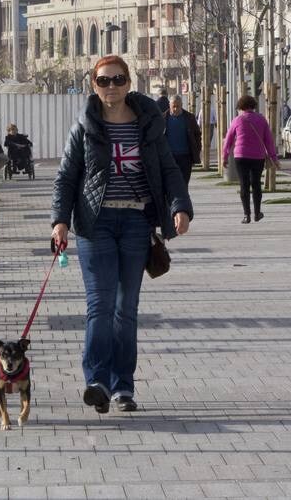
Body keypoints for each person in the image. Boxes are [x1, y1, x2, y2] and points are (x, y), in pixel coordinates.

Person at [52, 55, 193, 415]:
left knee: (125, 308)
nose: (111, 86)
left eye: (117, 79)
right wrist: (59, 220)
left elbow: (168, 170)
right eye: (103, 81)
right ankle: (96, 381)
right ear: (93, 85)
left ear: (129, 83)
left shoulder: (150, 125)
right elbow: (67, 177)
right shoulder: (84, 126)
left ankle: (123, 387)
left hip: (135, 223)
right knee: (99, 306)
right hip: (94, 225)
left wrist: (180, 207)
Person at [222, 95, 279, 224]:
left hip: (241, 156)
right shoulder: (262, 119)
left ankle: (246, 215)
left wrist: (224, 156)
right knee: (256, 184)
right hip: (257, 157)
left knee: (244, 184)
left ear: (241, 107)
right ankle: (257, 213)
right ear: (253, 105)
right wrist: (274, 158)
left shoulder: (237, 120)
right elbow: (268, 141)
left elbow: (228, 140)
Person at [164, 95, 202, 186]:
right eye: (174, 106)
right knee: (170, 185)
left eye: (178, 106)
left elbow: (197, 135)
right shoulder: (163, 119)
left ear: (182, 105)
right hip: (169, 157)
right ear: (169, 105)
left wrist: (196, 150)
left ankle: (184, 199)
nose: (176, 109)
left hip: (185, 157)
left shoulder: (189, 118)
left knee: (184, 183)